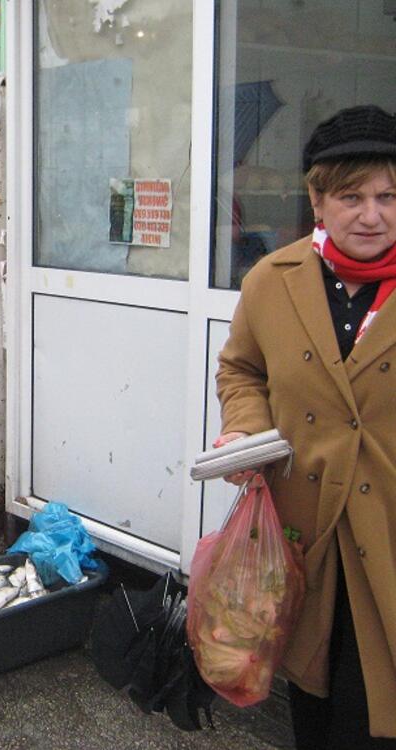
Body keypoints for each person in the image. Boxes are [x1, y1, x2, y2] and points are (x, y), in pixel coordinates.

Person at [215, 105, 396, 748]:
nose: (372, 215)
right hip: (307, 532)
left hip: (389, 529)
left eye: (388, 195)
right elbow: (242, 371)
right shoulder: (273, 279)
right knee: (316, 701)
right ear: (318, 199)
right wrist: (246, 431)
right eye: (352, 197)